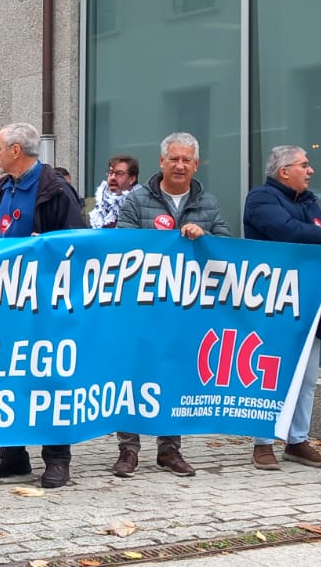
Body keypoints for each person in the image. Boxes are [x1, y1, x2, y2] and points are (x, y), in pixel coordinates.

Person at [110, 134, 229, 479]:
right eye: (173, 159)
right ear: (161, 162)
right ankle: (128, 450)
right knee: (133, 374)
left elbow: (226, 244)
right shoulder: (137, 199)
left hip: (184, 309)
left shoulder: (207, 203)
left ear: (196, 165)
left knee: (174, 373)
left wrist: (204, 238)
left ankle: (169, 449)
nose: (180, 165)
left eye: (186, 160)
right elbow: (121, 243)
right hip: (141, 306)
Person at [0, 123, 85, 488]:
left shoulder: (55, 190)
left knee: (49, 378)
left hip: (45, 304)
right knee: (8, 374)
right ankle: (13, 453)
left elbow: (77, 244)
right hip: (7, 301)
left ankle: (57, 458)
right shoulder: (3, 188)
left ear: (15, 151)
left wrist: (50, 246)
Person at [242, 145, 321, 470]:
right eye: (304, 165)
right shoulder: (261, 199)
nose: (310, 170)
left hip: (307, 305)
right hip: (271, 303)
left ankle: (297, 441)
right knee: (268, 375)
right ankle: (263, 442)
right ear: (284, 171)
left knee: (306, 379)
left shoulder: (310, 202)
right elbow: (288, 232)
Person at [87, 155, 139, 228]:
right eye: (110, 173)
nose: (112, 178)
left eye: (119, 173)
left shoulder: (140, 205)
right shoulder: (93, 206)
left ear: (132, 179)